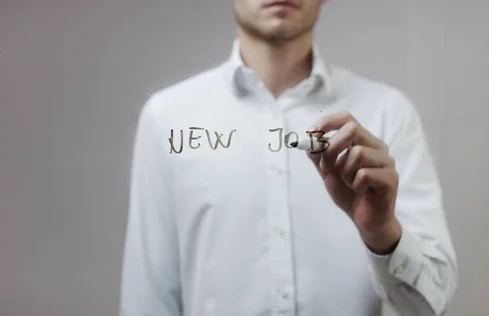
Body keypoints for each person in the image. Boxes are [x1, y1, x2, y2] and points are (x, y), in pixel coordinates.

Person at [119, 0, 458, 315]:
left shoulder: (386, 113)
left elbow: (430, 306)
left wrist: (382, 233)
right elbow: (147, 301)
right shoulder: (167, 119)